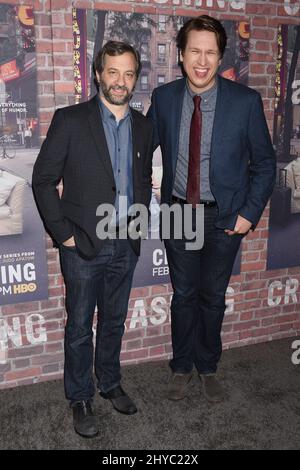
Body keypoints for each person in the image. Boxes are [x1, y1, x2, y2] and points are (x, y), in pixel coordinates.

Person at [147, 16, 276, 403]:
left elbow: (265, 165)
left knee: (213, 296)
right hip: (178, 213)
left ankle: (208, 366)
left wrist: (249, 213)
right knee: (183, 295)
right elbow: (140, 147)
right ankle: (182, 366)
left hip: (224, 217)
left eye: (211, 52)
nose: (202, 61)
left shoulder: (245, 102)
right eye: (194, 51)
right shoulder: (164, 98)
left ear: (220, 57)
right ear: (181, 55)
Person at [32, 41, 153, 437]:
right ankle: (80, 397)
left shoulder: (144, 126)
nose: (121, 81)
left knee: (115, 320)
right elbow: (44, 181)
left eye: (129, 73)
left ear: (136, 78)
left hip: (126, 242)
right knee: (80, 325)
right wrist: (63, 234)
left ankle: (110, 381)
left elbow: (140, 183)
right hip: (82, 244)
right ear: (99, 74)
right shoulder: (70, 120)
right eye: (113, 72)